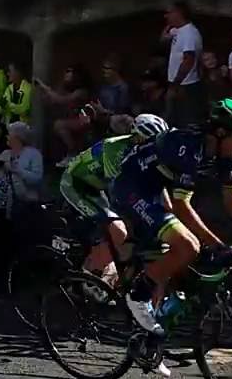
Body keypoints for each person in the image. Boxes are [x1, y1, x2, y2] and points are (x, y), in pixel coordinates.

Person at [112, 99, 232, 336]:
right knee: (188, 245)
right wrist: (218, 245)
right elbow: (181, 206)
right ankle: (137, 296)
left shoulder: (222, 154)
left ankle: (149, 337)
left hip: (157, 192)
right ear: (220, 133)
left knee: (182, 257)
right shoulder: (187, 147)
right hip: (131, 190)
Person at [63, 113, 170, 282]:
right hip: (77, 185)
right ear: (136, 138)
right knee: (119, 230)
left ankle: (117, 270)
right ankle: (89, 276)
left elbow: (158, 187)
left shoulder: (151, 153)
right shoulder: (114, 150)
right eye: (149, 142)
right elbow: (118, 196)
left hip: (100, 186)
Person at [37, 65, 91, 165]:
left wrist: (46, 89)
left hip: (84, 119)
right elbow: (53, 100)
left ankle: (73, 152)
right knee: (53, 126)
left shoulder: (81, 91)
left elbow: (62, 100)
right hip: (71, 119)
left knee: (58, 124)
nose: (67, 75)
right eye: (66, 72)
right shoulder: (65, 87)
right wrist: (46, 94)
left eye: (70, 73)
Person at [162, 0, 204, 127]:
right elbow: (163, 39)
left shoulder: (189, 33)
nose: (166, 16)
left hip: (185, 85)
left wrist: (175, 85)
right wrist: (169, 26)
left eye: (169, 13)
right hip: (177, 84)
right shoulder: (178, 31)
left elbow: (188, 60)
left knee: (184, 121)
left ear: (178, 13)